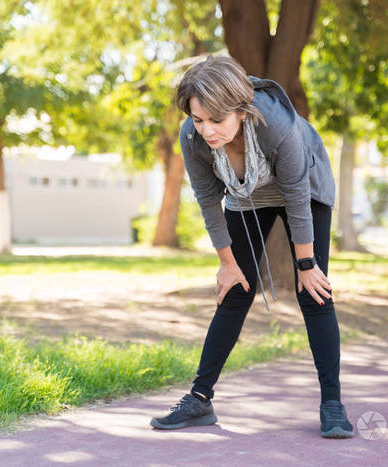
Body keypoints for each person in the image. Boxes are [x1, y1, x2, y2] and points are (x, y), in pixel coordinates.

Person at [149, 56, 354, 439]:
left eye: (216, 120)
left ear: (241, 112)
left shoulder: (277, 125)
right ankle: (199, 399)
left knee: (314, 292)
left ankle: (333, 404)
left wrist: (306, 263)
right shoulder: (193, 138)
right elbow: (208, 201)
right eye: (198, 119)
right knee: (235, 291)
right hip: (246, 196)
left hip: (304, 188)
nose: (207, 130)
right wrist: (227, 263)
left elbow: (295, 196)